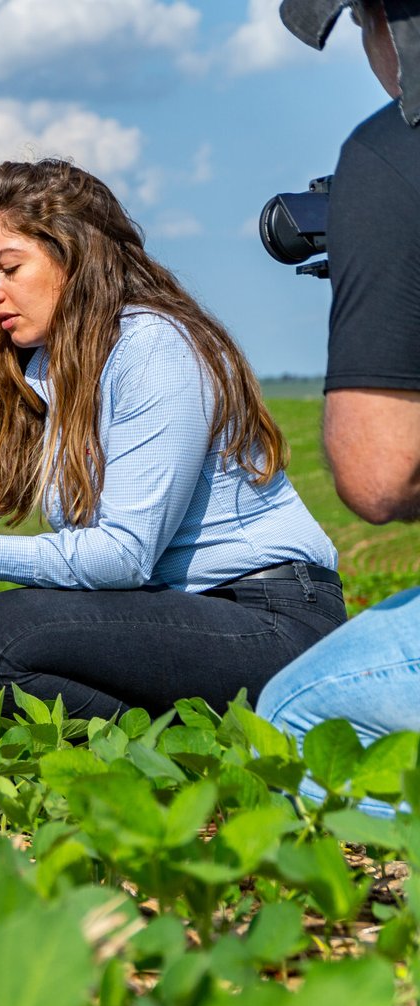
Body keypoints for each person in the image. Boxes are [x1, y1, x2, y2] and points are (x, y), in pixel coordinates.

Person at [0, 159, 344, 720]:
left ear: (75, 259)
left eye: (8, 267)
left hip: (270, 619)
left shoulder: (155, 347)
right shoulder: (48, 370)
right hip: (178, 614)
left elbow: (124, 555)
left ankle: (196, 747)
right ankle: (187, 749)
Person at [257, 0, 420, 814]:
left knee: (292, 719)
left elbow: (378, 474)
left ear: (390, 18)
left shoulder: (391, 152)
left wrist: (375, 260)